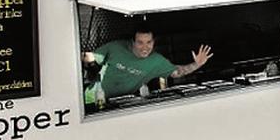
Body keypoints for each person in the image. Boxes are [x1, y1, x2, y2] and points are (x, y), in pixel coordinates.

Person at [82, 25, 213, 99]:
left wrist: (197, 64)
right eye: (140, 42)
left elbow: (177, 72)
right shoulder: (115, 47)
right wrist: (89, 62)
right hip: (92, 99)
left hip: (122, 102)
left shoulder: (156, 61)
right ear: (133, 42)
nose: (145, 47)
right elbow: (90, 57)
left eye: (148, 42)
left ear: (153, 42)